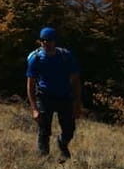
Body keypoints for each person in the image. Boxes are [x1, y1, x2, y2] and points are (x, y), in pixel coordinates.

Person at [26, 27, 82, 160]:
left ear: (55, 41)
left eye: (49, 40)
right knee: (44, 130)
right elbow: (30, 84)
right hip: (44, 97)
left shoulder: (66, 56)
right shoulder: (36, 58)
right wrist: (34, 108)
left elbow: (75, 80)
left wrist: (77, 103)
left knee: (69, 130)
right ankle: (43, 158)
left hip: (64, 97)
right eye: (43, 40)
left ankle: (62, 143)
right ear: (40, 41)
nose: (46, 43)